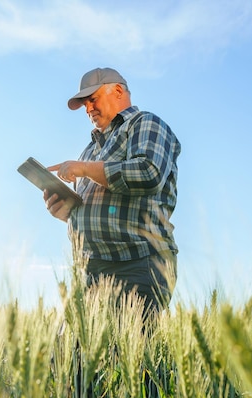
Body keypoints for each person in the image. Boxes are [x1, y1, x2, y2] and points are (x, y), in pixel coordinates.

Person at [44, 67, 181, 319]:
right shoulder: (88, 151)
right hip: (92, 271)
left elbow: (148, 172)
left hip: (138, 265)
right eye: (85, 104)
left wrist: (85, 169)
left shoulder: (146, 124)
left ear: (117, 91)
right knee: (68, 356)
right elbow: (99, 211)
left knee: (125, 354)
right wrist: (66, 212)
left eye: (92, 99)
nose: (88, 109)